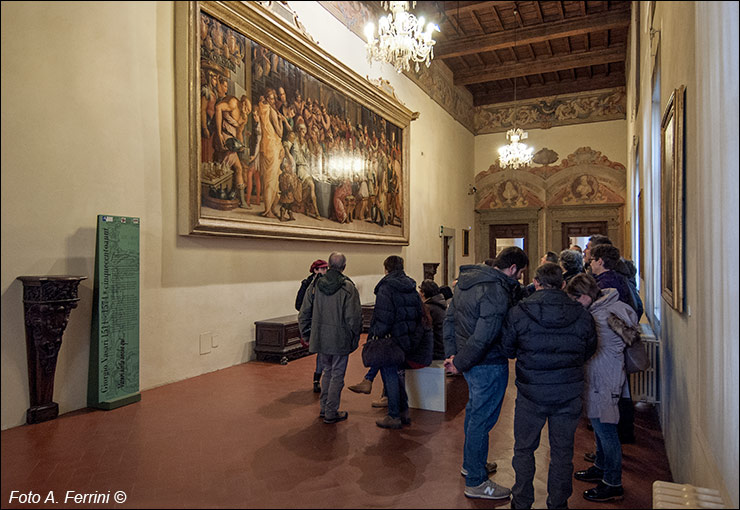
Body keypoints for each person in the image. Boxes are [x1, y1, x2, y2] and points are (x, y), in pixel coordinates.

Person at [501, 263, 597, 510]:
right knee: (563, 452)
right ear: (563, 284)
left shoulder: (520, 312)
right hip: (568, 392)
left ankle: (521, 501)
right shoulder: (581, 314)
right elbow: (589, 349)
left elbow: (509, 349)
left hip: (531, 392)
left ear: (536, 282)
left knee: (523, 449)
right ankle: (558, 503)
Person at [443, 247, 529, 500]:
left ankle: (472, 464)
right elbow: (485, 335)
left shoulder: (465, 282)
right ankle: (476, 482)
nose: (520, 278)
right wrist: (459, 362)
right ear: (512, 269)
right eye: (520, 273)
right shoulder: (495, 290)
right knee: (481, 420)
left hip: (470, 361)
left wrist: (454, 355)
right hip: (487, 363)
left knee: (474, 415)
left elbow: (450, 320)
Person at [567, 273, 637, 503]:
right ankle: (600, 465)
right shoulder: (610, 307)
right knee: (599, 425)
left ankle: (612, 482)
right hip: (603, 373)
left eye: (576, 298)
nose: (574, 303)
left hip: (604, 376)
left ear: (586, 296)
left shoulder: (602, 315)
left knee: (606, 430)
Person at [298, 252, 361, 424]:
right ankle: (331, 412)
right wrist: (355, 336)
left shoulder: (315, 285)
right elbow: (353, 318)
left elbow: (304, 312)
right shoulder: (348, 287)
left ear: (329, 265)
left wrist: (306, 333)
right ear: (344, 267)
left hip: (320, 336)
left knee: (326, 371)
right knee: (337, 374)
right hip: (340, 338)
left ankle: (324, 408)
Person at [367, 256, 423, 429]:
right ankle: (404, 413)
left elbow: (384, 315)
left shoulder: (386, 287)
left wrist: (377, 335)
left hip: (390, 338)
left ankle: (393, 415)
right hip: (406, 336)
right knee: (398, 375)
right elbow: (418, 311)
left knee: (390, 375)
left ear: (386, 269)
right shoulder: (411, 286)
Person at [295, 259, 328, 393]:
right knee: (322, 352)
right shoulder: (308, 284)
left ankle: (317, 379)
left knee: (322, 352)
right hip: (315, 321)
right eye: (322, 269)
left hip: (323, 321)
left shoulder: (327, 284)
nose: (325, 271)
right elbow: (299, 304)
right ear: (315, 270)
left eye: (326, 268)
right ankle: (318, 379)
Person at [419, 279, 447, 360]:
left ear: (423, 293)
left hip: (435, 350)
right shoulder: (440, 305)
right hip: (443, 348)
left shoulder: (428, 309)